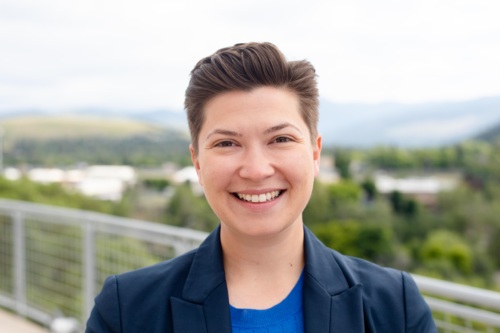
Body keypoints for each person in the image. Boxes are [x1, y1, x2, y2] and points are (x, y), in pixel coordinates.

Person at [86, 42, 437, 332]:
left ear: (315, 153)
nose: (256, 170)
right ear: (196, 161)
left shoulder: (395, 306)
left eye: (280, 139)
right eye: (227, 144)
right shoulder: (126, 310)